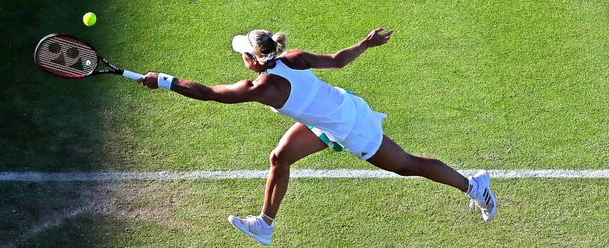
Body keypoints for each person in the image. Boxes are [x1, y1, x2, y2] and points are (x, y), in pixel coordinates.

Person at [137, 27, 497, 246]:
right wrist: (365, 44)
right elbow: (339, 61)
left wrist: (164, 80)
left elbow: (210, 94)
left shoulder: (262, 88)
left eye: (242, 54)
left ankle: (475, 186)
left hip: (351, 126)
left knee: (407, 165)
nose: (241, 59)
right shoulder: (291, 58)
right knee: (280, 157)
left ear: (252, 59)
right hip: (332, 114)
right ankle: (264, 225)